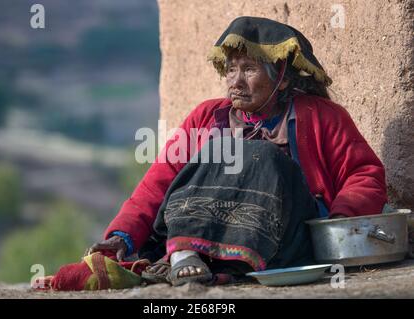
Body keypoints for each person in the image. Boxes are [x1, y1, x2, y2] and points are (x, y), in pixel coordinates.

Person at [87, 16, 387, 286]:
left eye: (249, 69)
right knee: (218, 152)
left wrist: (340, 222)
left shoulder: (322, 116)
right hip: (205, 239)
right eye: (231, 70)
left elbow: (364, 173)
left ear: (281, 79)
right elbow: (160, 180)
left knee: (261, 155)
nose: (236, 81)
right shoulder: (206, 116)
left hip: (289, 238)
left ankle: (202, 254)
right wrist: (122, 235)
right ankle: (185, 252)